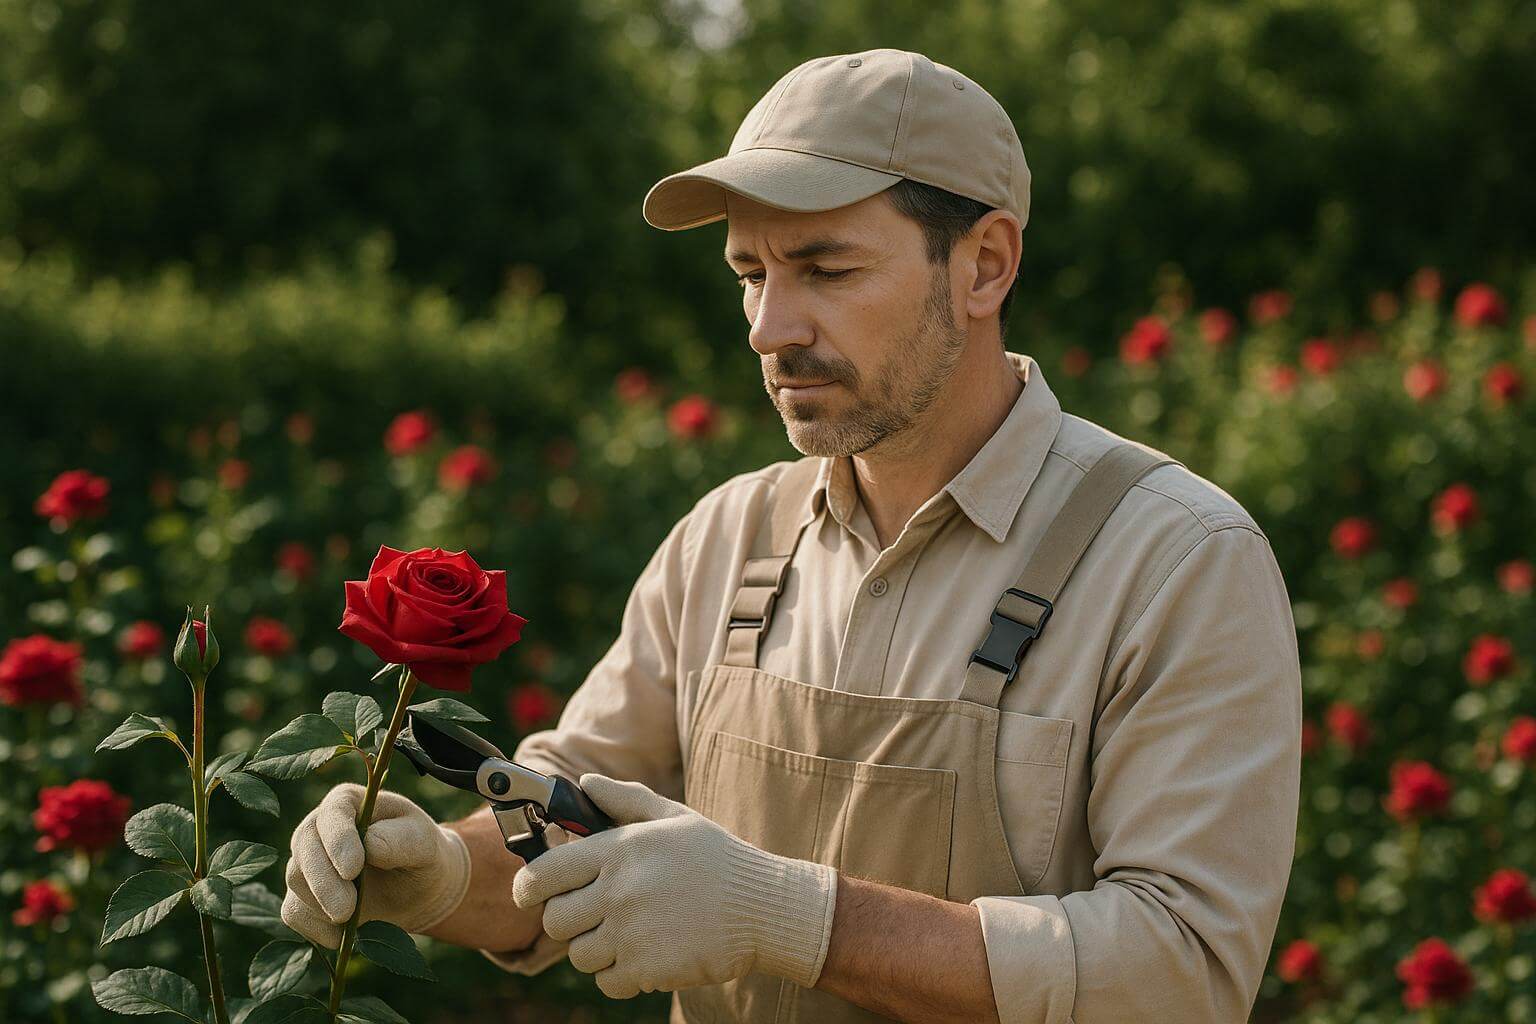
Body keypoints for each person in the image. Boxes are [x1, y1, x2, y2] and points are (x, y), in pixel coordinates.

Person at [281, 47, 1301, 1023]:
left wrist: (795, 919)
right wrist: (437, 872)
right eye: (750, 275)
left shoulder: (1175, 559)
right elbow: (564, 818)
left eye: (824, 269)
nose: (771, 328)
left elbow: (1182, 973)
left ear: (983, 266)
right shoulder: (727, 538)